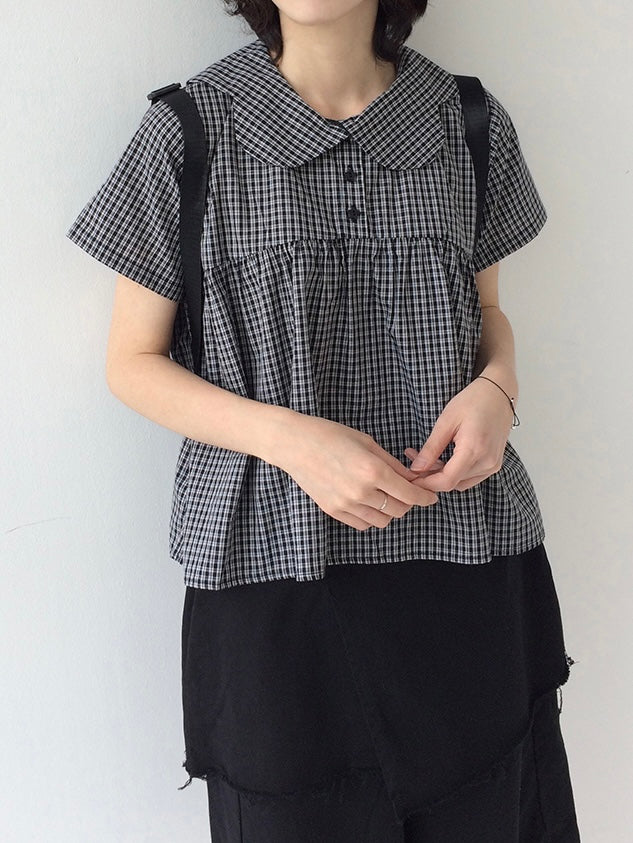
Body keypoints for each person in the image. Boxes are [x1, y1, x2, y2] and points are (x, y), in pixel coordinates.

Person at [66, 0, 582, 840]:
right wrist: (292, 441)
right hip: (274, 572)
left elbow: (488, 311)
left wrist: (498, 389)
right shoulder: (187, 131)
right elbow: (132, 362)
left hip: (461, 557)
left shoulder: (466, 120)